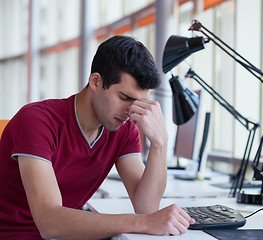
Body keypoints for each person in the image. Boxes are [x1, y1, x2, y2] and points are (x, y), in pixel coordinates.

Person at [0, 35, 195, 239]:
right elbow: (49, 222)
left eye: (140, 102)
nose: (131, 111)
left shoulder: (123, 129)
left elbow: (146, 207)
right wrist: (142, 222)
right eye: (125, 98)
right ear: (95, 81)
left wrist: (160, 143)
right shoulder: (37, 120)